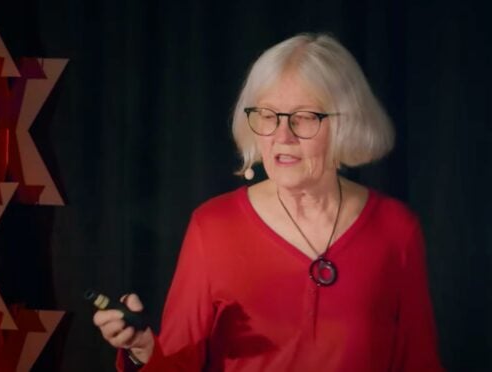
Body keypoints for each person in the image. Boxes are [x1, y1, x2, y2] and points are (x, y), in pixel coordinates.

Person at [93, 33, 444, 371]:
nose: (282, 136)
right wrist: (143, 350)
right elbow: (178, 366)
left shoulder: (396, 228)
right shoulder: (212, 226)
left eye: (305, 117)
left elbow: (419, 363)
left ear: (345, 125)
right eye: (268, 115)